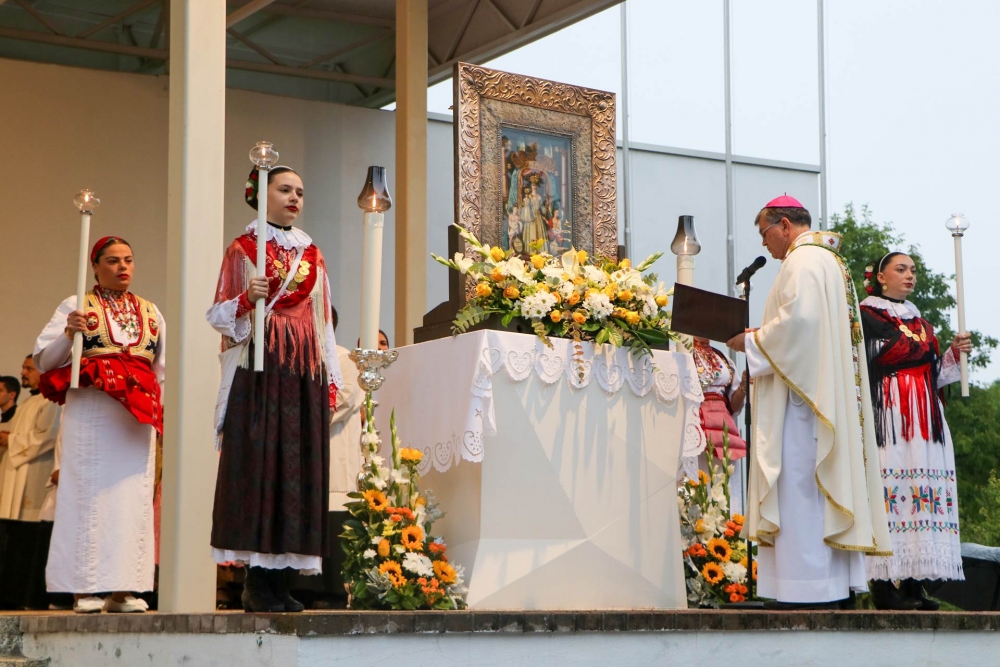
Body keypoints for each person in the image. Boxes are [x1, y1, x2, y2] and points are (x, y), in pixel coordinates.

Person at [726, 195, 891, 610]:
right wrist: (765, 335)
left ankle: (804, 590)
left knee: (801, 488)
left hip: (802, 405)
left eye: (765, 233)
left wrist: (751, 340)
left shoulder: (802, 261)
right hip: (817, 393)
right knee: (815, 493)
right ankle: (826, 587)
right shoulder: (829, 262)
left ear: (784, 224)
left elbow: (798, 326)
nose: (765, 244)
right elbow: (808, 328)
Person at [207, 164, 342, 613]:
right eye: (285, 189)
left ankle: (282, 581)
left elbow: (324, 323)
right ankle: (255, 582)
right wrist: (248, 298)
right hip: (261, 372)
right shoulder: (242, 250)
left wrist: (331, 378)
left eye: (300, 191)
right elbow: (219, 317)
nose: (295, 198)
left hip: (303, 373)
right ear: (261, 194)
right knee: (260, 466)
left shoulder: (313, 255)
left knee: (297, 468)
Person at [35, 236, 164, 614]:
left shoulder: (151, 310)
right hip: (91, 412)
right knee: (86, 496)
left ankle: (124, 589)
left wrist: (160, 415)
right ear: (95, 266)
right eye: (112, 260)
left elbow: (162, 369)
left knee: (132, 501)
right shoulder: (76, 304)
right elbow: (45, 362)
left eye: (128, 259)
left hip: (135, 419)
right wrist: (68, 333)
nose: (123, 267)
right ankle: (82, 589)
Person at [861, 252, 972, 610]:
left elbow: (934, 371)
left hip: (924, 414)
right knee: (890, 488)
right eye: (901, 269)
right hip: (890, 413)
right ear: (880, 277)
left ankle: (913, 581)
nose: (910, 275)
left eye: (913, 270)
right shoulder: (867, 315)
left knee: (920, 489)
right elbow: (883, 356)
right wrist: (924, 349)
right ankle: (882, 584)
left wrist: (954, 353)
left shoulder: (920, 321)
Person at [0, 355, 60, 520]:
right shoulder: (27, 402)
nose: (23, 372)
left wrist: (11, 440)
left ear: (43, 371)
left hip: (35, 473)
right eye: (23, 368)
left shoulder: (51, 401)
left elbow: (48, 436)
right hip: (17, 472)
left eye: (29, 369)